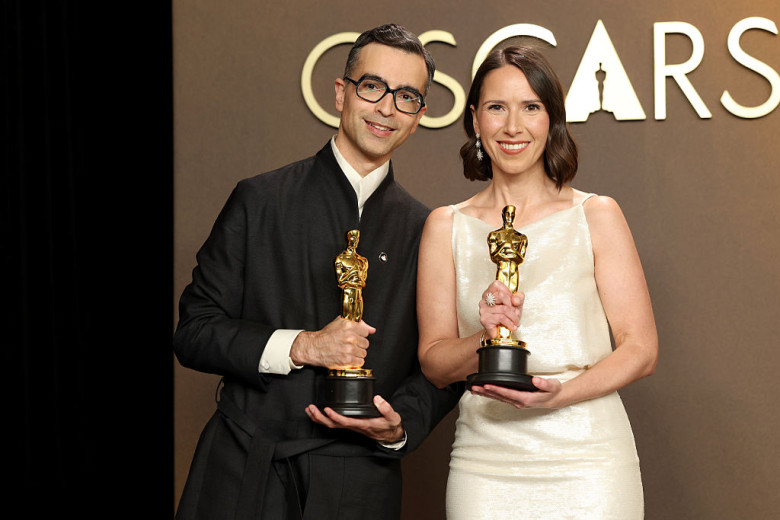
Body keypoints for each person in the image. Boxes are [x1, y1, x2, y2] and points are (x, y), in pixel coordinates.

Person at [174, 24, 460, 520]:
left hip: (360, 482)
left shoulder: (428, 229)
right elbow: (195, 331)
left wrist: (401, 427)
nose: (387, 108)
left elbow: (440, 363)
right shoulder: (259, 199)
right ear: (340, 93)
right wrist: (301, 345)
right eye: (373, 86)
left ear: (419, 117)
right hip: (246, 466)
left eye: (407, 96)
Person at [417, 45, 658, 519]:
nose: (513, 126)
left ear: (552, 120)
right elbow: (434, 363)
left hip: (589, 455)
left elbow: (641, 349)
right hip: (486, 461)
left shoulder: (595, 214)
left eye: (531, 107)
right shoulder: (445, 225)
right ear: (474, 120)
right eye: (496, 107)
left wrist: (561, 395)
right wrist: (485, 338)